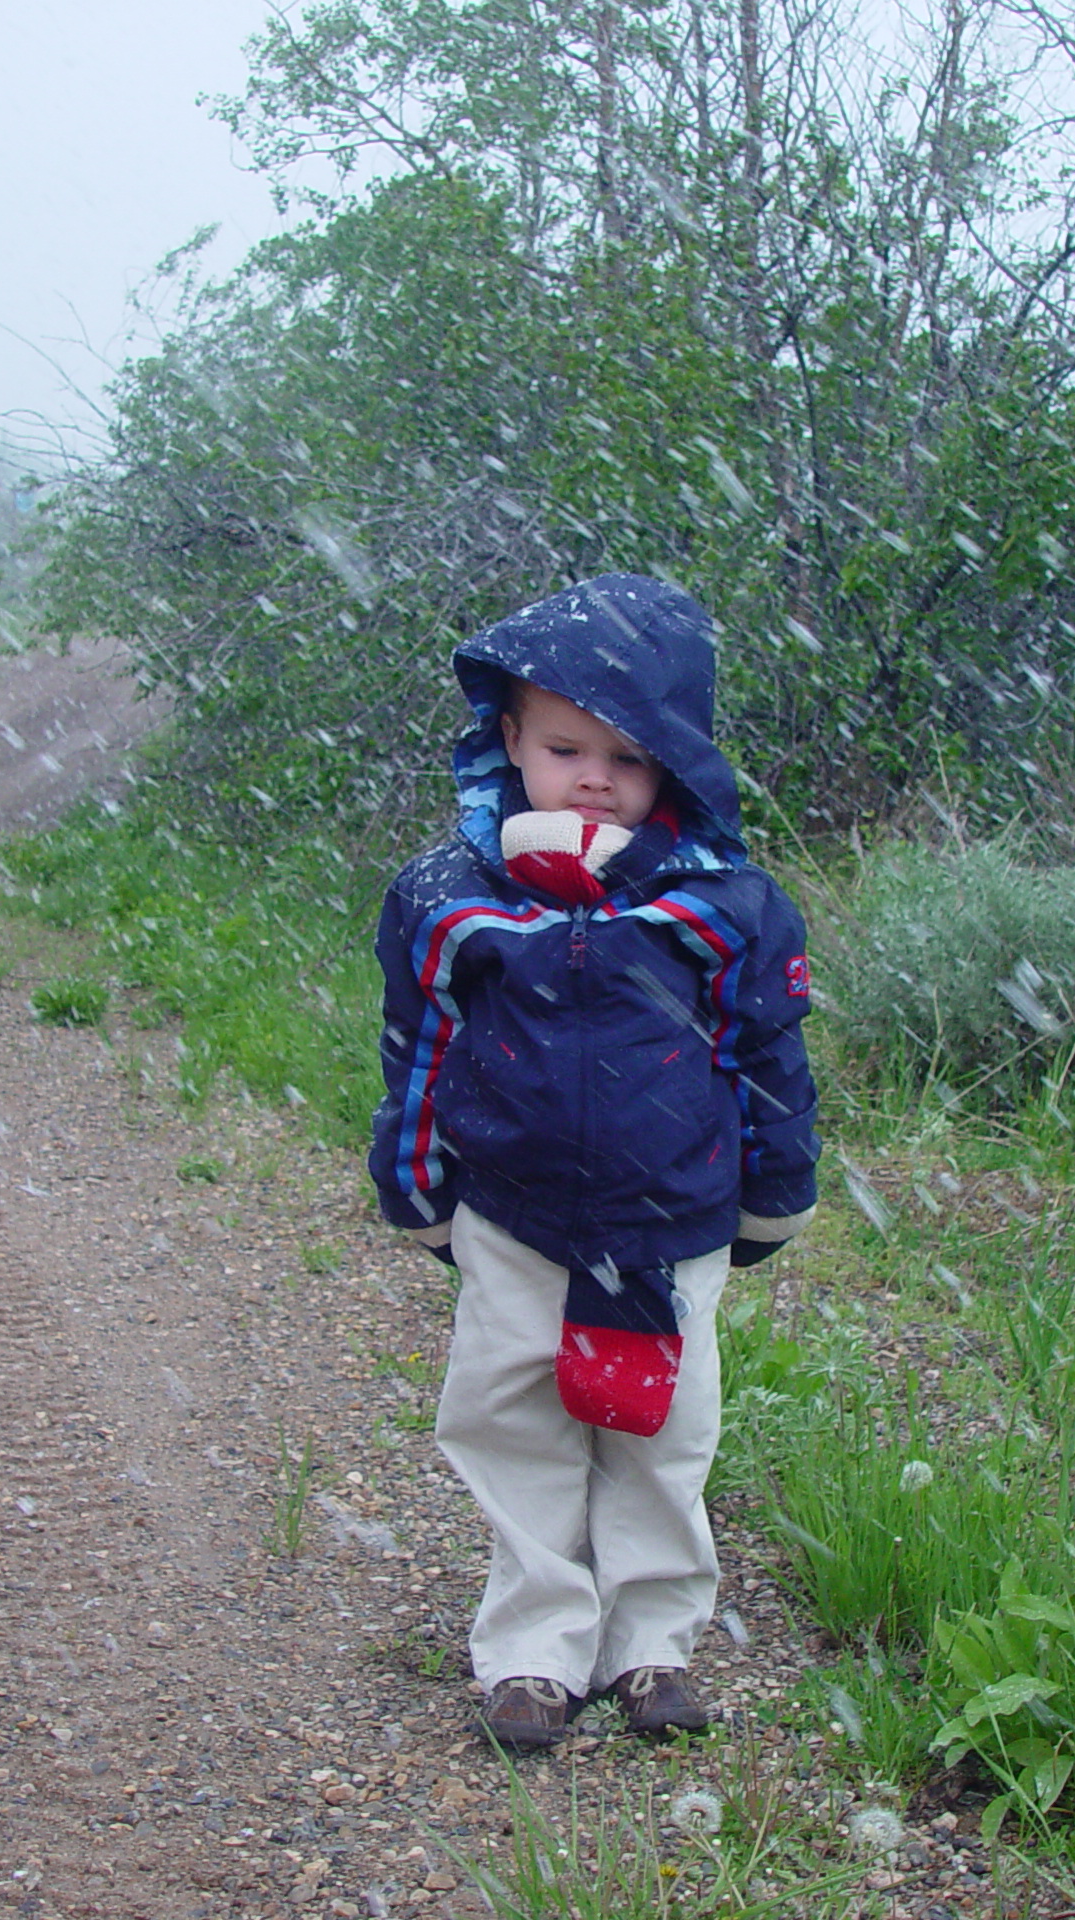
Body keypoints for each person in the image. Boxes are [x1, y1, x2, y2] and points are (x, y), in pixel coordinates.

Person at [368, 574, 820, 1751]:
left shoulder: (721, 904)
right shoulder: (449, 898)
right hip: (513, 1214)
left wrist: (775, 1193)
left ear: (675, 764)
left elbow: (766, 1054)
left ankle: (653, 1640)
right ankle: (530, 1648)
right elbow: (419, 1047)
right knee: (513, 1420)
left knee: (660, 1429)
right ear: (507, 738)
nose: (595, 778)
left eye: (630, 755)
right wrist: (413, 1182)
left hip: (673, 1217)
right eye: (565, 746)